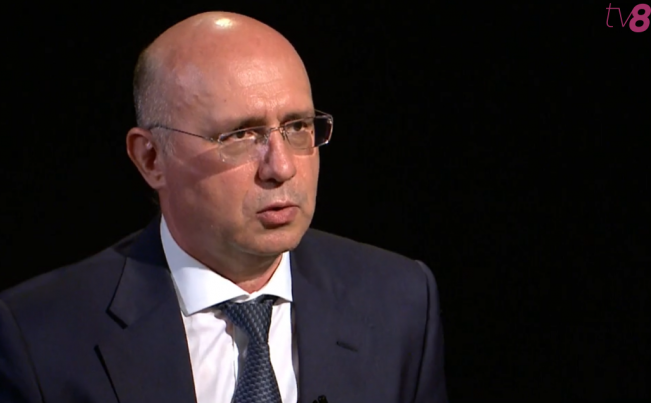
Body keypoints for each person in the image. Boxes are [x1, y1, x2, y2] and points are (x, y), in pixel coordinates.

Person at [0, 11, 448, 403]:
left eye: (297, 127)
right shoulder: (38, 335)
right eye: (241, 136)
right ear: (151, 158)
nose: (282, 167)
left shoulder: (400, 301)